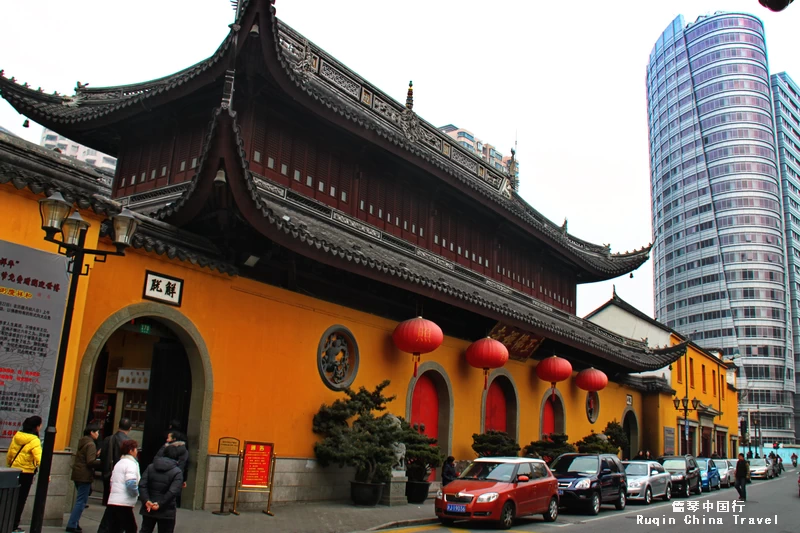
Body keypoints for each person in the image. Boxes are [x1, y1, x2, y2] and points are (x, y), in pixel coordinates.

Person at [6, 415, 42, 533]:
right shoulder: (34, 440)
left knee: (10, 499)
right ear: (36, 427)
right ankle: (14, 525)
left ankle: (6, 522)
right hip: (26, 473)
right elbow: (39, 458)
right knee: (21, 500)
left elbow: (10, 454)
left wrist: (10, 466)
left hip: (13, 471)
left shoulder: (17, 436)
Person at [139, 445, 184, 533]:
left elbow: (142, 485)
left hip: (149, 506)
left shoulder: (150, 467)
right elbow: (173, 491)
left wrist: (146, 500)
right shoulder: (177, 472)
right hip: (167, 509)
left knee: (145, 529)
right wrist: (160, 504)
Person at [99, 439, 140, 533]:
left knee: (113, 528)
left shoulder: (119, 463)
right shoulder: (131, 464)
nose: (137, 451)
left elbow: (112, 481)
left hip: (114, 500)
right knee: (131, 528)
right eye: (135, 449)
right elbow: (131, 483)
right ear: (131, 450)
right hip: (124, 502)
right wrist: (136, 493)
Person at [67, 425, 101, 533]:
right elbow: (90, 461)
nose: (98, 434)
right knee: (81, 501)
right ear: (92, 432)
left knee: (80, 500)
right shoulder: (91, 444)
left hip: (78, 473)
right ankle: (72, 524)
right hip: (84, 475)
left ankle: (75, 523)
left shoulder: (83, 441)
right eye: (97, 432)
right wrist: (101, 461)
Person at [153, 430, 189, 506]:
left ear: (174, 439)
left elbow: (156, 459)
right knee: (171, 497)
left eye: (168, 437)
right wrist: (183, 479)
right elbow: (184, 465)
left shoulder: (165, 448)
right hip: (175, 476)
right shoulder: (184, 451)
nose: (166, 439)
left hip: (161, 476)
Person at [101, 418, 132, 505]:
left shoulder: (108, 439)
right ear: (130, 428)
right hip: (121, 472)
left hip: (108, 470)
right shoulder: (128, 443)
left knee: (107, 495)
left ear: (118, 426)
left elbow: (103, 455)